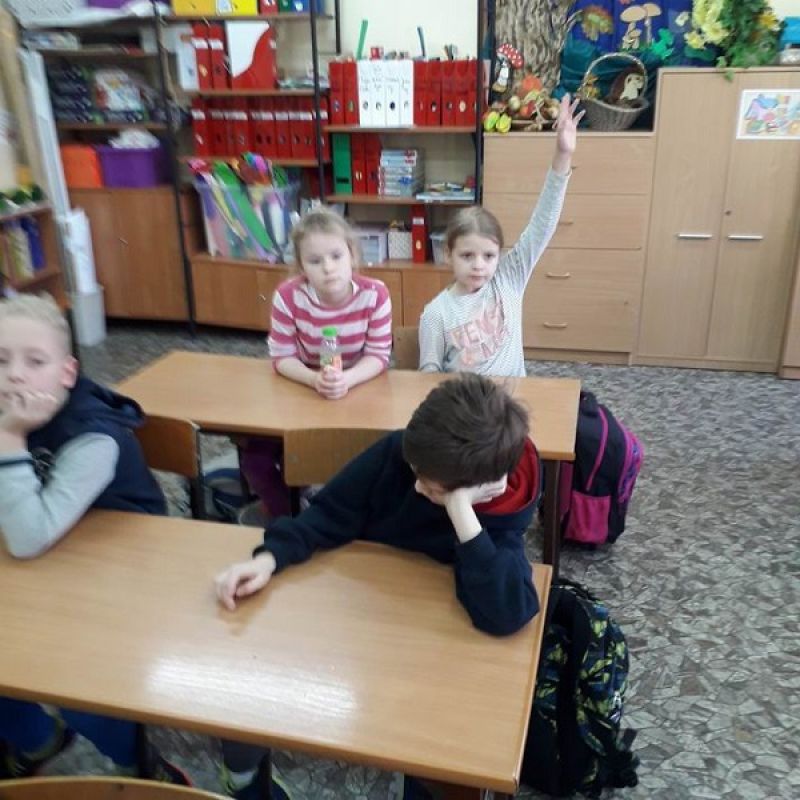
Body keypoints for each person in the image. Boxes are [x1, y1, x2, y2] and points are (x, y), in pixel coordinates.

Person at [0, 293, 183, 783]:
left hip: (122, 572)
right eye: (1, 360)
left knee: (74, 686)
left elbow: (29, 537)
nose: (14, 375)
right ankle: (38, 739)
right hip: (49, 560)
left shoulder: (94, 436)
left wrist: (9, 439)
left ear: (67, 373)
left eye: (34, 361)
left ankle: (141, 768)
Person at [216, 373, 541, 638]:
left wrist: (459, 509)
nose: (416, 486)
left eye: (431, 489)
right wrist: (269, 559)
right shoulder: (406, 452)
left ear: (477, 489)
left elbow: (507, 615)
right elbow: (329, 512)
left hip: (419, 631)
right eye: (415, 472)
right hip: (361, 601)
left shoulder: (501, 509)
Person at [240, 206, 393, 520]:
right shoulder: (288, 296)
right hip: (304, 387)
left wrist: (347, 379)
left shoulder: (375, 294)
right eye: (315, 261)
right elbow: (281, 356)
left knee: (369, 459)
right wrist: (314, 380)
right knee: (256, 459)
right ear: (301, 266)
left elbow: (378, 355)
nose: (328, 268)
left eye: (336, 256)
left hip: (358, 389)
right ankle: (287, 515)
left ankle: (352, 512)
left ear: (352, 254)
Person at [418, 94, 584, 377]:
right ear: (448, 254)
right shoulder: (436, 314)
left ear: (499, 256)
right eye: (467, 255)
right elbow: (429, 374)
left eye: (488, 256)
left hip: (511, 400)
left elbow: (543, 223)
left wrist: (563, 154)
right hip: (466, 402)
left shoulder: (508, 278)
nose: (478, 265)